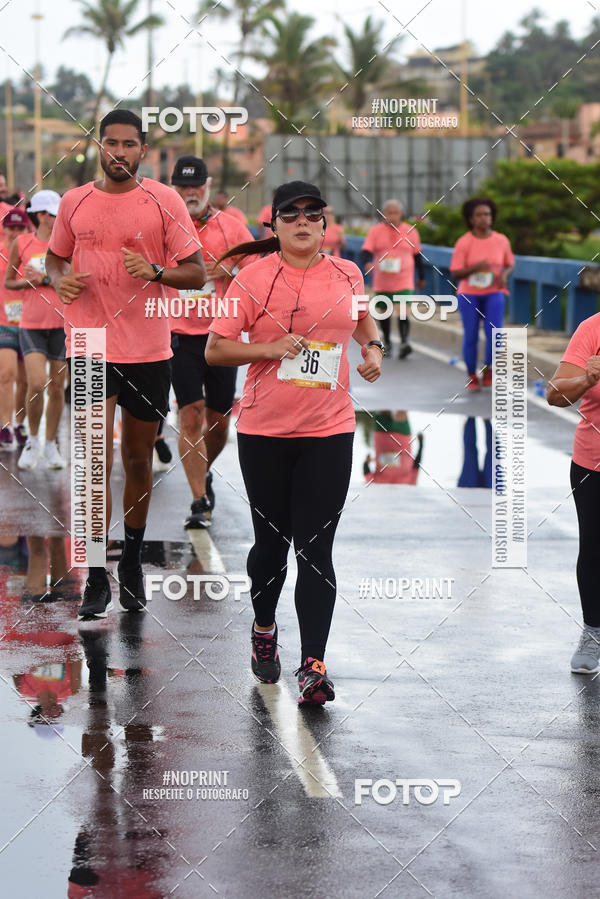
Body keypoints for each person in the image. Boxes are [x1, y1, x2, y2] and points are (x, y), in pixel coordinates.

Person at [206, 180, 383, 705]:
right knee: (271, 547)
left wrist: (372, 349)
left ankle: (313, 665)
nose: (303, 221)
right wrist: (269, 346)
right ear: (275, 225)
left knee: (316, 550)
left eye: (312, 214)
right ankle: (264, 626)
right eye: (291, 214)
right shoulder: (251, 279)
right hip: (265, 432)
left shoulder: (347, 272)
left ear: (325, 224)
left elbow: (361, 318)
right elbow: (216, 350)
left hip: (329, 430)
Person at [45, 110, 206, 621]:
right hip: (90, 342)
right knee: (93, 465)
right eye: (110, 143)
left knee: (138, 461)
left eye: (129, 144)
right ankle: (95, 575)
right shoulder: (75, 201)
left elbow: (197, 273)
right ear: (97, 146)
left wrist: (157, 270)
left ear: (143, 149)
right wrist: (58, 280)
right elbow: (55, 258)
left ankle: (132, 560)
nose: (119, 152)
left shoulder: (165, 199)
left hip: (149, 348)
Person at [170, 155, 256, 528]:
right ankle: (198, 501)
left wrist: (229, 268)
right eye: (183, 186)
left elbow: (258, 272)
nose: (190, 192)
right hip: (178, 335)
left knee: (219, 423)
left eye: (196, 185)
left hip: (222, 335)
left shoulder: (233, 228)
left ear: (207, 185)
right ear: (174, 188)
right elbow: (147, 272)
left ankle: (202, 470)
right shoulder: (164, 227)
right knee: (190, 416)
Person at [547, 318, 600, 673]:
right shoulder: (592, 329)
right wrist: (587, 379)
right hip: (593, 462)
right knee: (595, 550)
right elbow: (554, 395)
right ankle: (593, 632)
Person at [4, 190, 67, 469]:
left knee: (57, 387)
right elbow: (10, 283)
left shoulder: (66, 243)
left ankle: (50, 445)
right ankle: (31, 440)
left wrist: (43, 278)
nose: (59, 219)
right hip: (30, 324)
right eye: (55, 214)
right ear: (41, 215)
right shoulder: (23, 243)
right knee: (36, 383)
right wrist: (31, 283)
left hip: (61, 326)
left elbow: (71, 278)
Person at [450, 197, 515, 390]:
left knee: (494, 333)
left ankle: (488, 369)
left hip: (494, 292)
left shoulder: (501, 240)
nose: (484, 218)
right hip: (469, 294)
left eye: (487, 214)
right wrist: (476, 267)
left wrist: (504, 274)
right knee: (471, 335)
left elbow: (510, 263)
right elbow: (455, 272)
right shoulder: (464, 242)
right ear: (471, 219)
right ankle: (471, 374)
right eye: (479, 215)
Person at [362, 199, 425, 358]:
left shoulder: (411, 231)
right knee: (384, 312)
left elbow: (418, 256)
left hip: (404, 278)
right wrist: (367, 262)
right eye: (389, 213)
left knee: (403, 311)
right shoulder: (375, 231)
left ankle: (404, 342)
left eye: (395, 213)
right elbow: (366, 250)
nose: (393, 216)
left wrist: (422, 276)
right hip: (382, 280)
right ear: (384, 214)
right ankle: (388, 342)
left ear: (401, 214)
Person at [0, 207, 30, 451]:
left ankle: (20, 423)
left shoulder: (33, 253)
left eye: (21, 228)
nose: (16, 233)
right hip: (3, 323)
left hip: (31, 323)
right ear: (5, 229)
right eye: (12, 228)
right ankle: (5, 426)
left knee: (26, 381)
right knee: (6, 374)